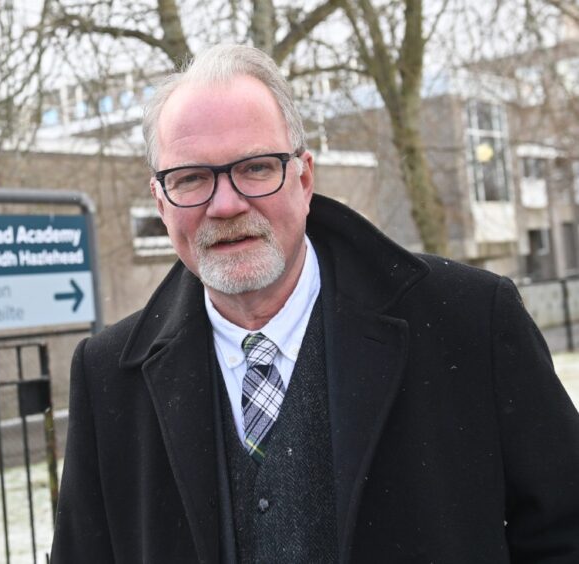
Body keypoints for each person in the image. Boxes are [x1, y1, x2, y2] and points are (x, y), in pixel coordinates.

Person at [50, 44, 579, 563]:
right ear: (160, 202)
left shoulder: (467, 320)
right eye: (191, 178)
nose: (226, 204)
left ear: (304, 179)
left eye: (256, 167)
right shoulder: (109, 376)